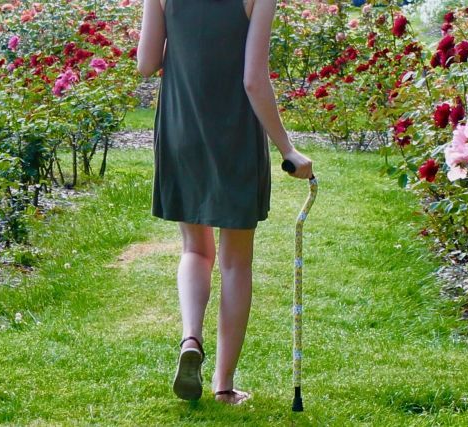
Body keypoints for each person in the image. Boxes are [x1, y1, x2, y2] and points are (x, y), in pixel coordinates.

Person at [136, 0, 313, 405]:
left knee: (195, 250)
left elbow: (146, 64)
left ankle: (190, 339)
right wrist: (287, 149)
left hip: (181, 128)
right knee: (235, 263)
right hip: (234, 134)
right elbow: (253, 80)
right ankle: (224, 385)